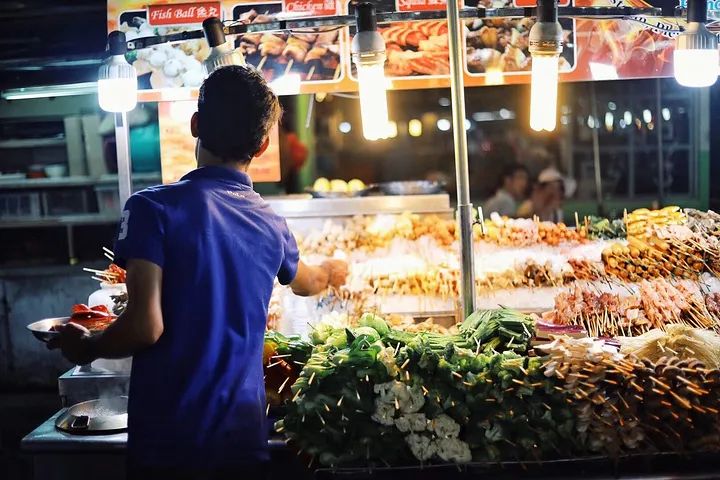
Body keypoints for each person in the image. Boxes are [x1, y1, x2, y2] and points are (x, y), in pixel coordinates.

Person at [49, 66, 348, 479]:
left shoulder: (152, 208)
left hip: (169, 438)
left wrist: (88, 345)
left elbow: (143, 327)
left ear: (195, 125)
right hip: (242, 438)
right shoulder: (271, 223)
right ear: (262, 146)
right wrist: (332, 270)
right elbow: (308, 283)